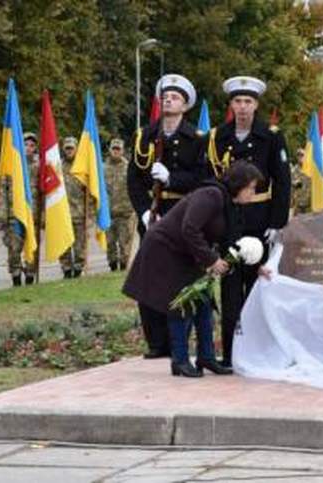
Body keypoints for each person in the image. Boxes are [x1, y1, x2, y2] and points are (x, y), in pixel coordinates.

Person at [122, 161, 266, 377]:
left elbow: (231, 241)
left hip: (186, 252)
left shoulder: (230, 204)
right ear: (240, 184)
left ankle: (206, 357)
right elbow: (189, 228)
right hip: (166, 250)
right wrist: (211, 260)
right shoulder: (211, 195)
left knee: (204, 302)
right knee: (182, 303)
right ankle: (179, 361)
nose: (253, 193)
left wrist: (257, 267)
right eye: (252, 188)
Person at [206, 75, 291, 366]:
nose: (242, 107)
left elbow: (283, 182)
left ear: (256, 105)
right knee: (230, 291)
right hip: (229, 220)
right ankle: (231, 354)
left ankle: (262, 353)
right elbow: (211, 180)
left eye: (248, 102)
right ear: (231, 104)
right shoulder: (218, 137)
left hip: (260, 220)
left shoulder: (271, 135)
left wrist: (277, 223)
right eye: (238, 101)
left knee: (260, 290)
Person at [127, 73, 207, 359]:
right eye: (165, 97)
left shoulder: (197, 139)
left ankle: (178, 341)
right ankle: (155, 342)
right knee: (148, 278)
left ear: (185, 106)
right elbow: (134, 180)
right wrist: (144, 211)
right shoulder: (145, 136)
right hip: (154, 216)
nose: (168, 100)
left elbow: (202, 178)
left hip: (182, 214)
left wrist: (173, 178)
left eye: (174, 97)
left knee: (180, 279)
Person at [3, 131, 39, 286]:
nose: (28, 148)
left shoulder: (40, 166)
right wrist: (2, 216)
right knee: (14, 249)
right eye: (25, 144)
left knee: (32, 248)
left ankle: (30, 276)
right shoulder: (10, 165)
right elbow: (3, 191)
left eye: (32, 145)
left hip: (33, 214)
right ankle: (16, 278)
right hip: (15, 214)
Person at [59, 136, 93, 279]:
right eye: (67, 148)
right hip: (62, 214)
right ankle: (66, 270)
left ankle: (78, 271)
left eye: (71, 148)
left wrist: (90, 214)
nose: (69, 151)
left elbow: (90, 194)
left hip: (79, 214)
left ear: (76, 149)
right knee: (64, 245)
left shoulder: (82, 168)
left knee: (80, 246)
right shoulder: (57, 166)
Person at [105, 138, 134, 271]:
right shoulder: (103, 168)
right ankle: (112, 265)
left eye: (118, 149)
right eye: (114, 149)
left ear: (123, 151)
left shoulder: (129, 168)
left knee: (124, 243)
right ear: (110, 150)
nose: (116, 151)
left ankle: (123, 266)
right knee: (110, 243)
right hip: (108, 213)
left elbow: (135, 188)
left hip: (125, 213)